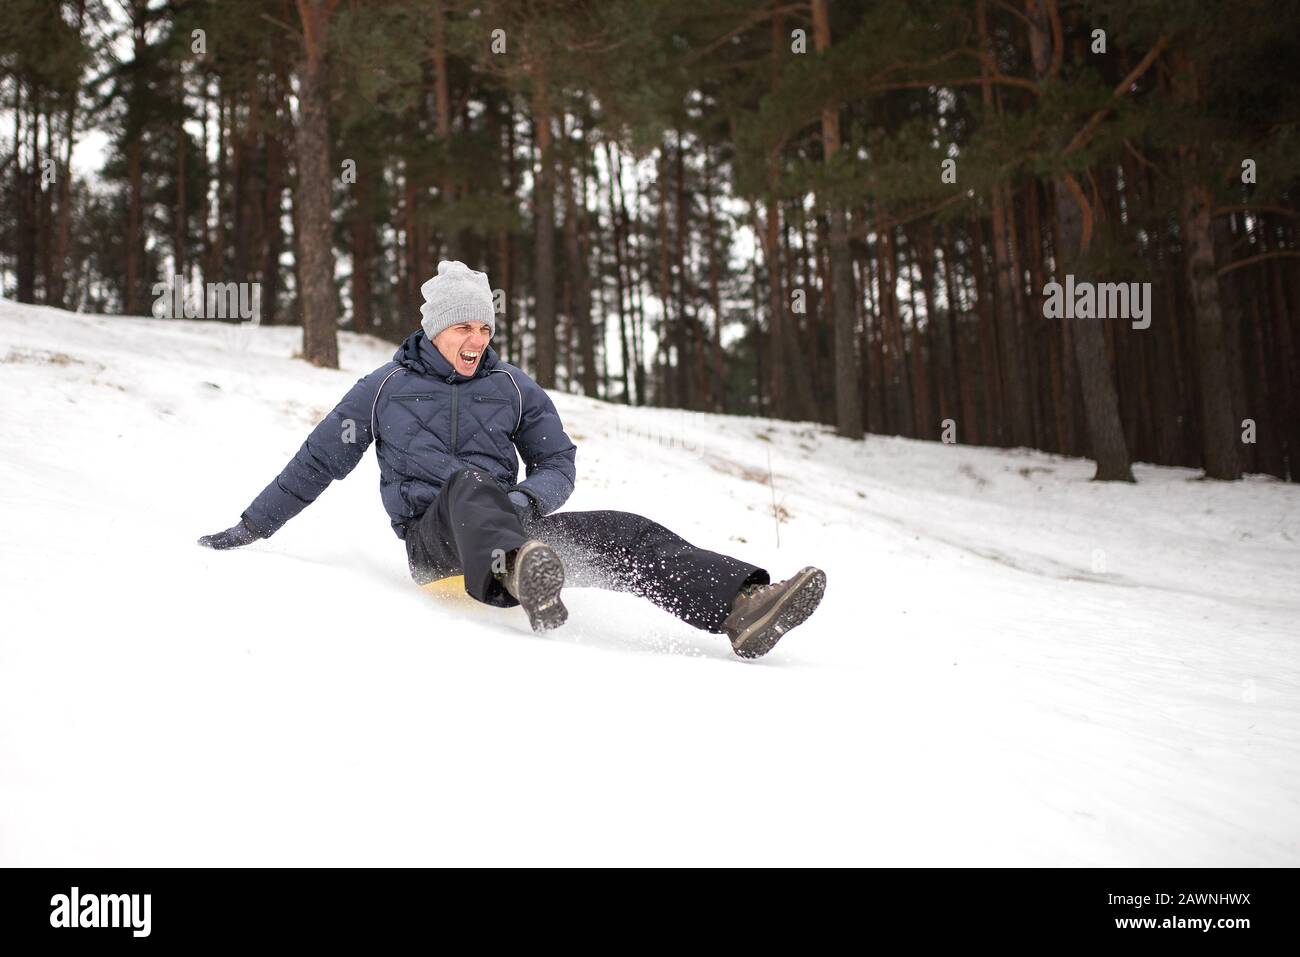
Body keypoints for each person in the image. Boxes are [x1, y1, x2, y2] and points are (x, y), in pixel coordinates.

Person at [198, 260, 826, 658]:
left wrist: (525, 501)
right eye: (463, 329)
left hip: (517, 531)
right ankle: (515, 572)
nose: (476, 341)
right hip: (437, 545)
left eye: (485, 329)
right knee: (469, 483)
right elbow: (314, 465)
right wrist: (251, 528)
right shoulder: (381, 389)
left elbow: (559, 466)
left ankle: (741, 608)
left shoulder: (515, 387)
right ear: (434, 330)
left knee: (628, 531)